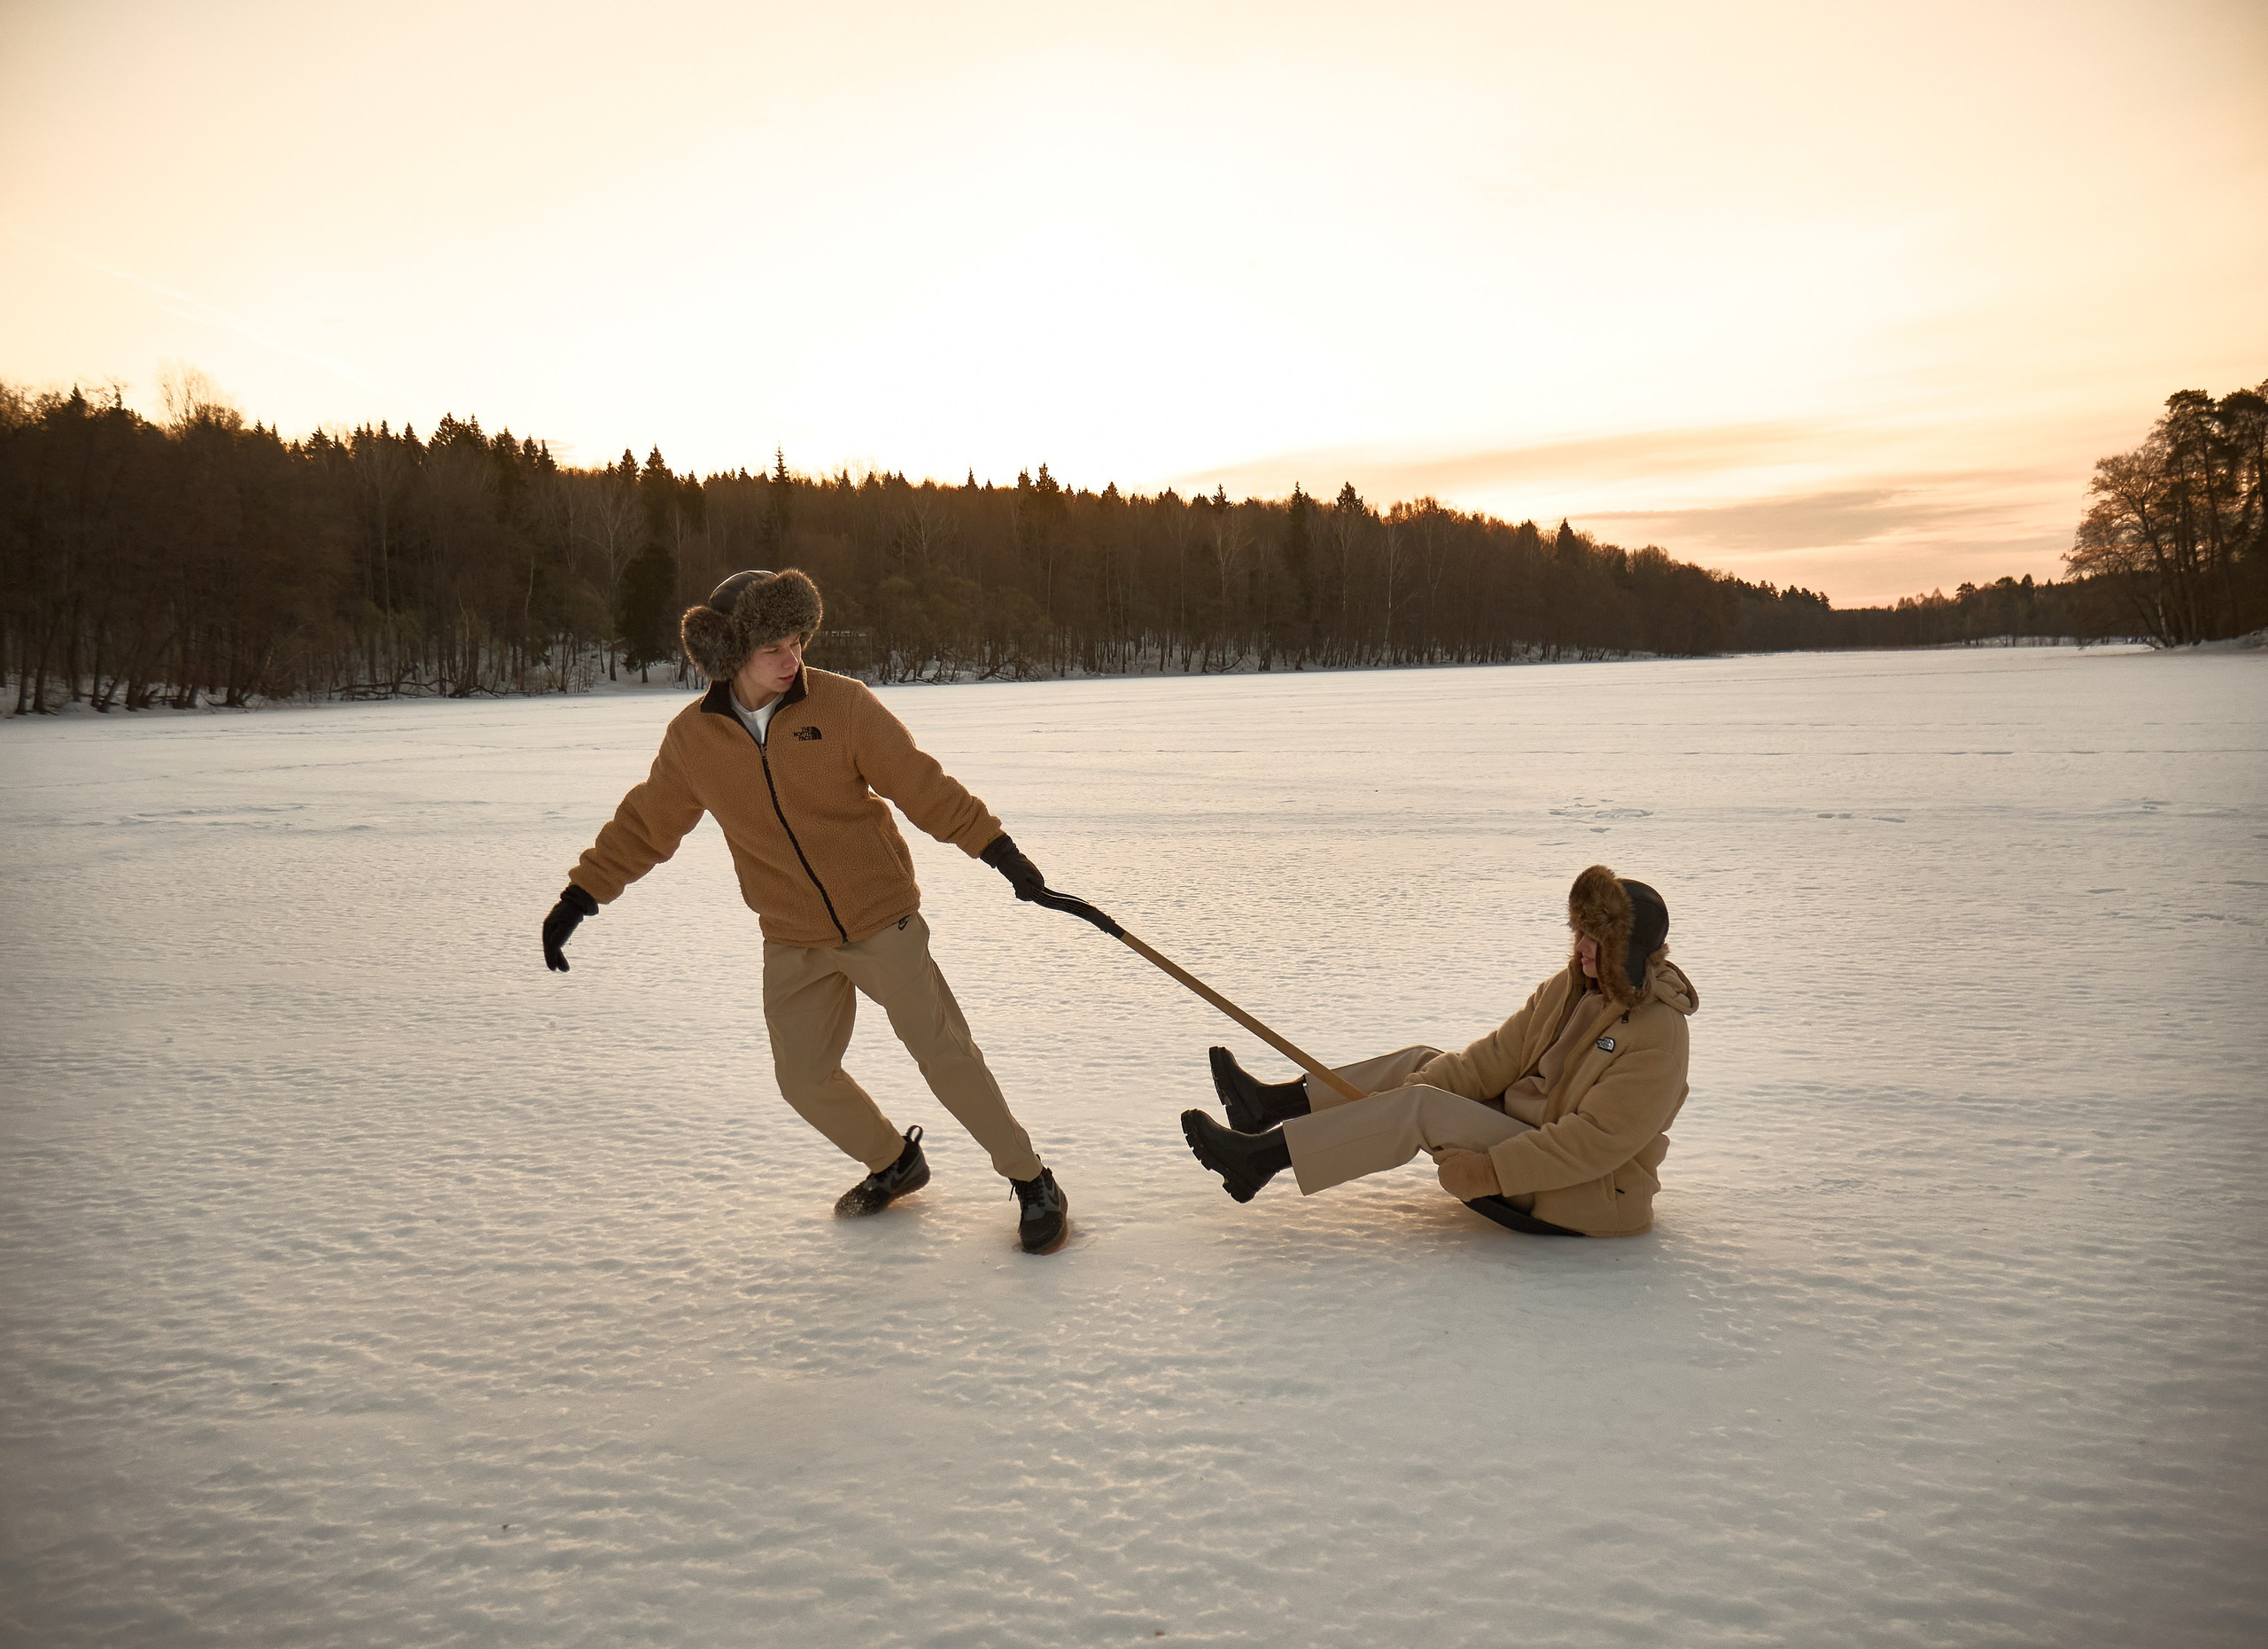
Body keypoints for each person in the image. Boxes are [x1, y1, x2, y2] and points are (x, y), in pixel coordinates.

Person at [540, 568, 1070, 1255]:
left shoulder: (842, 705)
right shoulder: (694, 741)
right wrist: (579, 897)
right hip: (792, 937)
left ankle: (1032, 1179)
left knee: (944, 1054)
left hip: (883, 921)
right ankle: (893, 1161)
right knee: (803, 1077)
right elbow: (646, 825)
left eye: (796, 641)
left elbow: (922, 785)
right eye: (773, 648)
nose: (791, 659)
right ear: (732, 654)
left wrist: (999, 853)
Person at [1179, 866, 1696, 1237]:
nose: (1581, 946)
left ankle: (1258, 1161)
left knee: (1421, 1106)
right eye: (1580, 932)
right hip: (1528, 1134)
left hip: (1584, 1191)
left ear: (1627, 953)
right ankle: (1268, 1107)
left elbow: (1592, 1144)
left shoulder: (1657, 1038)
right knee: (1422, 1065)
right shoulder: (1568, 987)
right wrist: (1399, 1094)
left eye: (1597, 940)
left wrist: (1492, 1173)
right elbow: (1492, 1058)